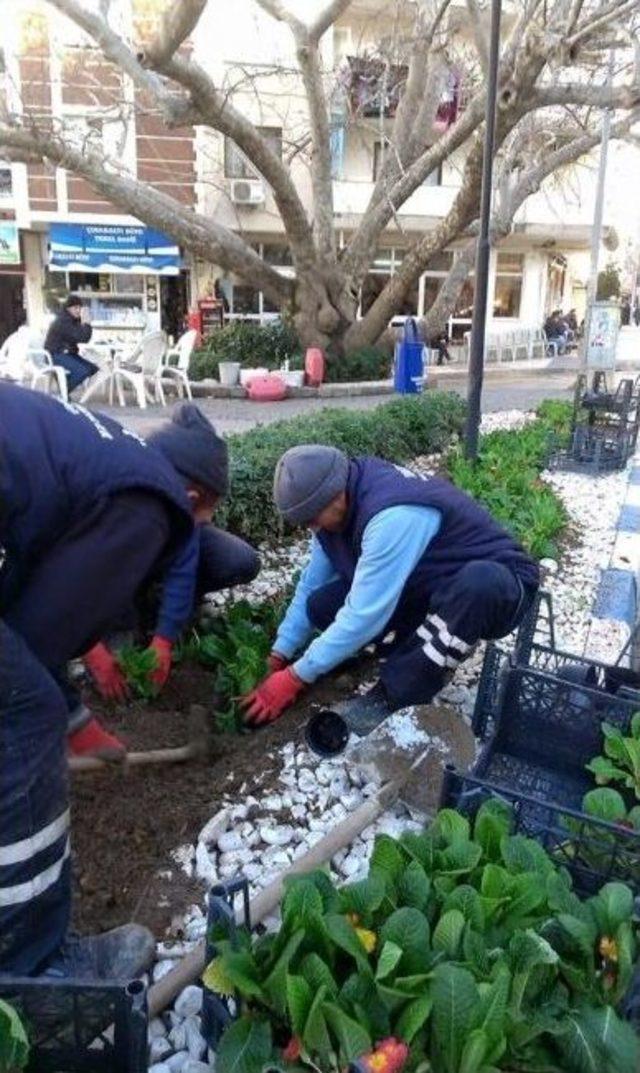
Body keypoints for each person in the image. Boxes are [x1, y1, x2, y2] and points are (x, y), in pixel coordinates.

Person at [0, 385, 221, 980]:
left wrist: (79, 720)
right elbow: (35, 637)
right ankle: (30, 964)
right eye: (205, 518)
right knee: (23, 718)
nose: (198, 532)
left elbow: (18, 600)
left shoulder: (110, 451)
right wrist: (63, 717)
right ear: (194, 497)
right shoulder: (152, 506)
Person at [241, 446, 539, 731]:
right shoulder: (337, 502)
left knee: (477, 583)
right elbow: (310, 585)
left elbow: (364, 616)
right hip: (431, 581)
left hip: (501, 588)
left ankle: (395, 693)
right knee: (322, 604)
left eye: (311, 519)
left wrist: (295, 677)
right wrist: (279, 653)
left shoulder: (391, 515)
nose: (311, 529)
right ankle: (405, 642)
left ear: (334, 496)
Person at [81, 411, 260, 727]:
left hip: (131, 557)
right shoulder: (118, 495)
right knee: (117, 657)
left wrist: (164, 638)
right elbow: (68, 579)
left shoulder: (177, 497)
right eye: (210, 509)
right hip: (99, 570)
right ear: (192, 496)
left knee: (238, 559)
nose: (209, 519)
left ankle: (154, 607)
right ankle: (122, 617)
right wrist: (89, 648)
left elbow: (183, 567)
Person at [44, 294, 97, 395]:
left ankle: (63, 386)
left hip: (66, 353)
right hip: (55, 354)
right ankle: (63, 393)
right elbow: (83, 338)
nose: (78, 310)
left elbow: (83, 337)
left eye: (79, 307)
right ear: (68, 309)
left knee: (92, 369)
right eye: (75, 308)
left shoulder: (72, 320)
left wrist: (85, 324)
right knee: (83, 371)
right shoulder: (63, 321)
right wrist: (87, 324)